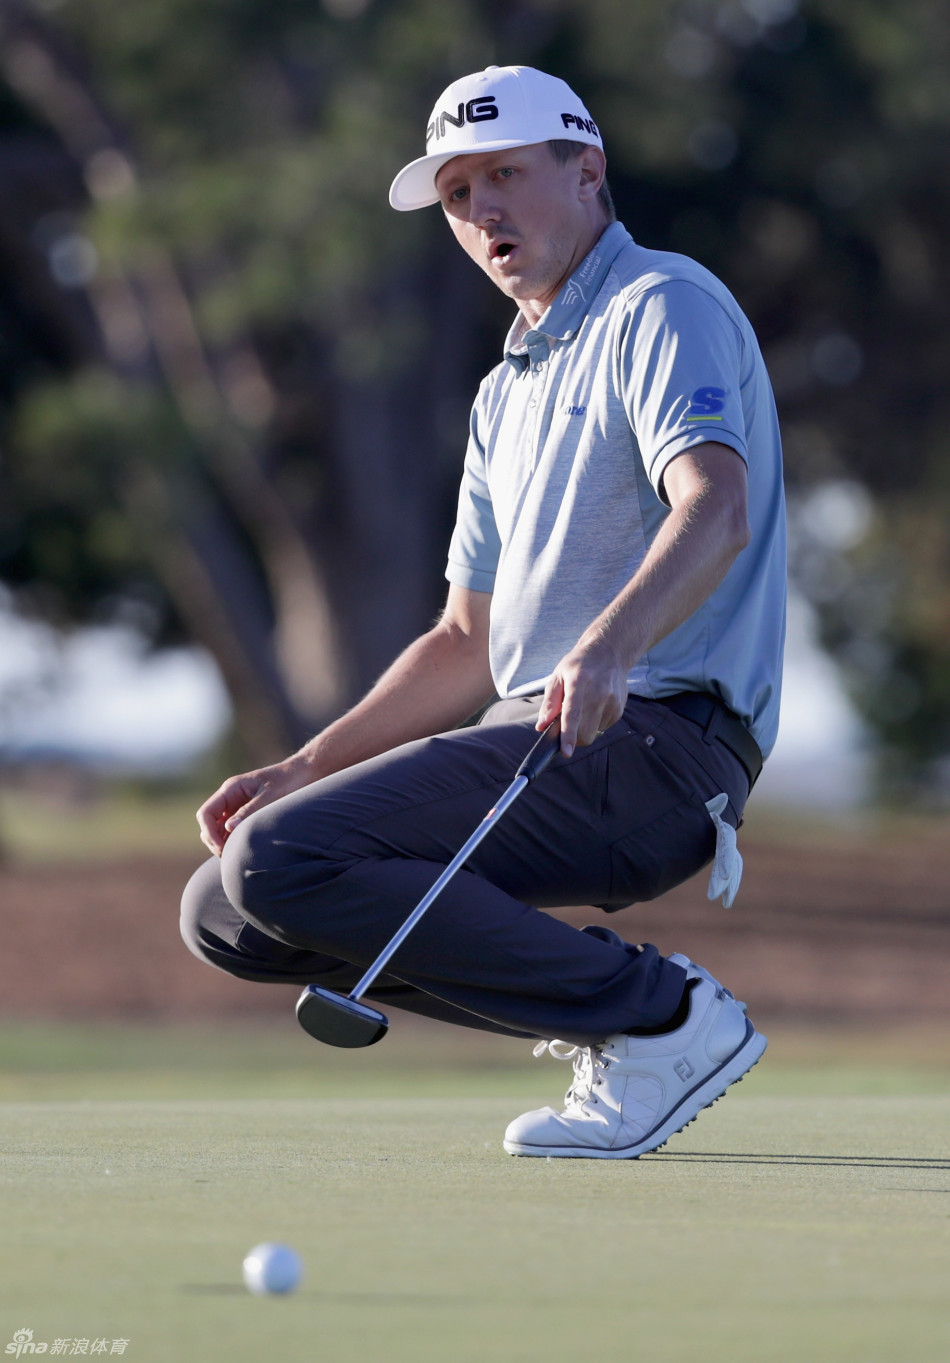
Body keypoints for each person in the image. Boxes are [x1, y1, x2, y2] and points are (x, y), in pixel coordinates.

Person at [181, 64, 786, 1160]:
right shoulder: (502, 389)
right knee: (226, 909)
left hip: (659, 743)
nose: (482, 213)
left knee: (279, 864)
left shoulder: (663, 304)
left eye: (505, 175)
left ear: (585, 170)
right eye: (459, 194)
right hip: (533, 739)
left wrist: (607, 646)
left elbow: (716, 504)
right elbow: (464, 640)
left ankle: (656, 1017)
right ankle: (622, 1023)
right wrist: (304, 767)